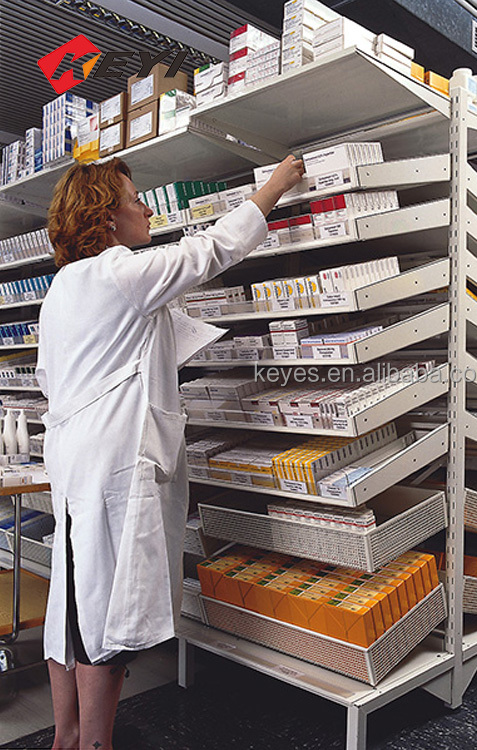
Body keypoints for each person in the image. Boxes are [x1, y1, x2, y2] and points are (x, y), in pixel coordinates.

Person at [37, 154, 304, 750]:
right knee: (104, 608)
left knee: (72, 600)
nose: (147, 208)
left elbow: (56, 379)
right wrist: (274, 188)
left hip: (76, 455)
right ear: (106, 217)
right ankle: (97, 745)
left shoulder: (62, 290)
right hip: (113, 458)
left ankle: (67, 737)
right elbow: (211, 250)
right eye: (136, 200)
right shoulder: (121, 273)